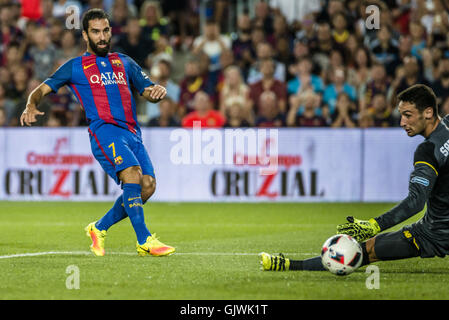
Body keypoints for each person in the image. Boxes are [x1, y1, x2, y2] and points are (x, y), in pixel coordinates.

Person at [19, 9, 175, 258]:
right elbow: (40, 89)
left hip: (133, 133)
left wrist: (158, 91)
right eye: (95, 32)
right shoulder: (74, 67)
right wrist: (31, 104)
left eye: (105, 31)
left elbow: (148, 90)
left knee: (147, 186)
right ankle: (144, 239)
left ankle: (98, 228)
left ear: (111, 31)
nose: (102, 37)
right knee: (133, 175)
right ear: (85, 35)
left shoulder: (125, 62)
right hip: (104, 131)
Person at [261, 84, 449, 271]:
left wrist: (375, 225)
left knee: (360, 252)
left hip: (435, 232)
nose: (401, 122)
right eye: (401, 115)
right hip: (436, 226)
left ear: (428, 112)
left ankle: (289, 265)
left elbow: (416, 201)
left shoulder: (428, 151)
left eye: (408, 115)